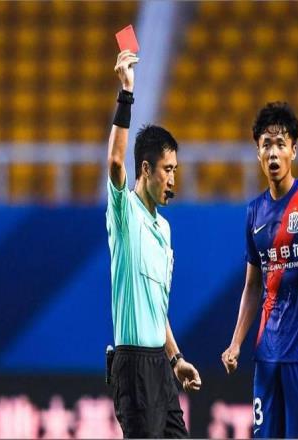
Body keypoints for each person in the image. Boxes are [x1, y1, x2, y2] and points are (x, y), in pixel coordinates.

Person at [221, 102, 298, 439]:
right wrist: (236, 343)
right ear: (258, 153)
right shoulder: (254, 212)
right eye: (266, 145)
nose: (273, 153)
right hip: (266, 355)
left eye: (280, 144)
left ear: (293, 150)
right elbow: (252, 286)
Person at [106, 50, 201, 438]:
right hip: (132, 367)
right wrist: (126, 93)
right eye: (167, 170)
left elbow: (156, 309)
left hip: (161, 368)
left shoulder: (164, 229)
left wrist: (176, 359)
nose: (173, 179)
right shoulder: (124, 213)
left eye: (175, 170)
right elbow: (115, 162)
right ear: (145, 169)